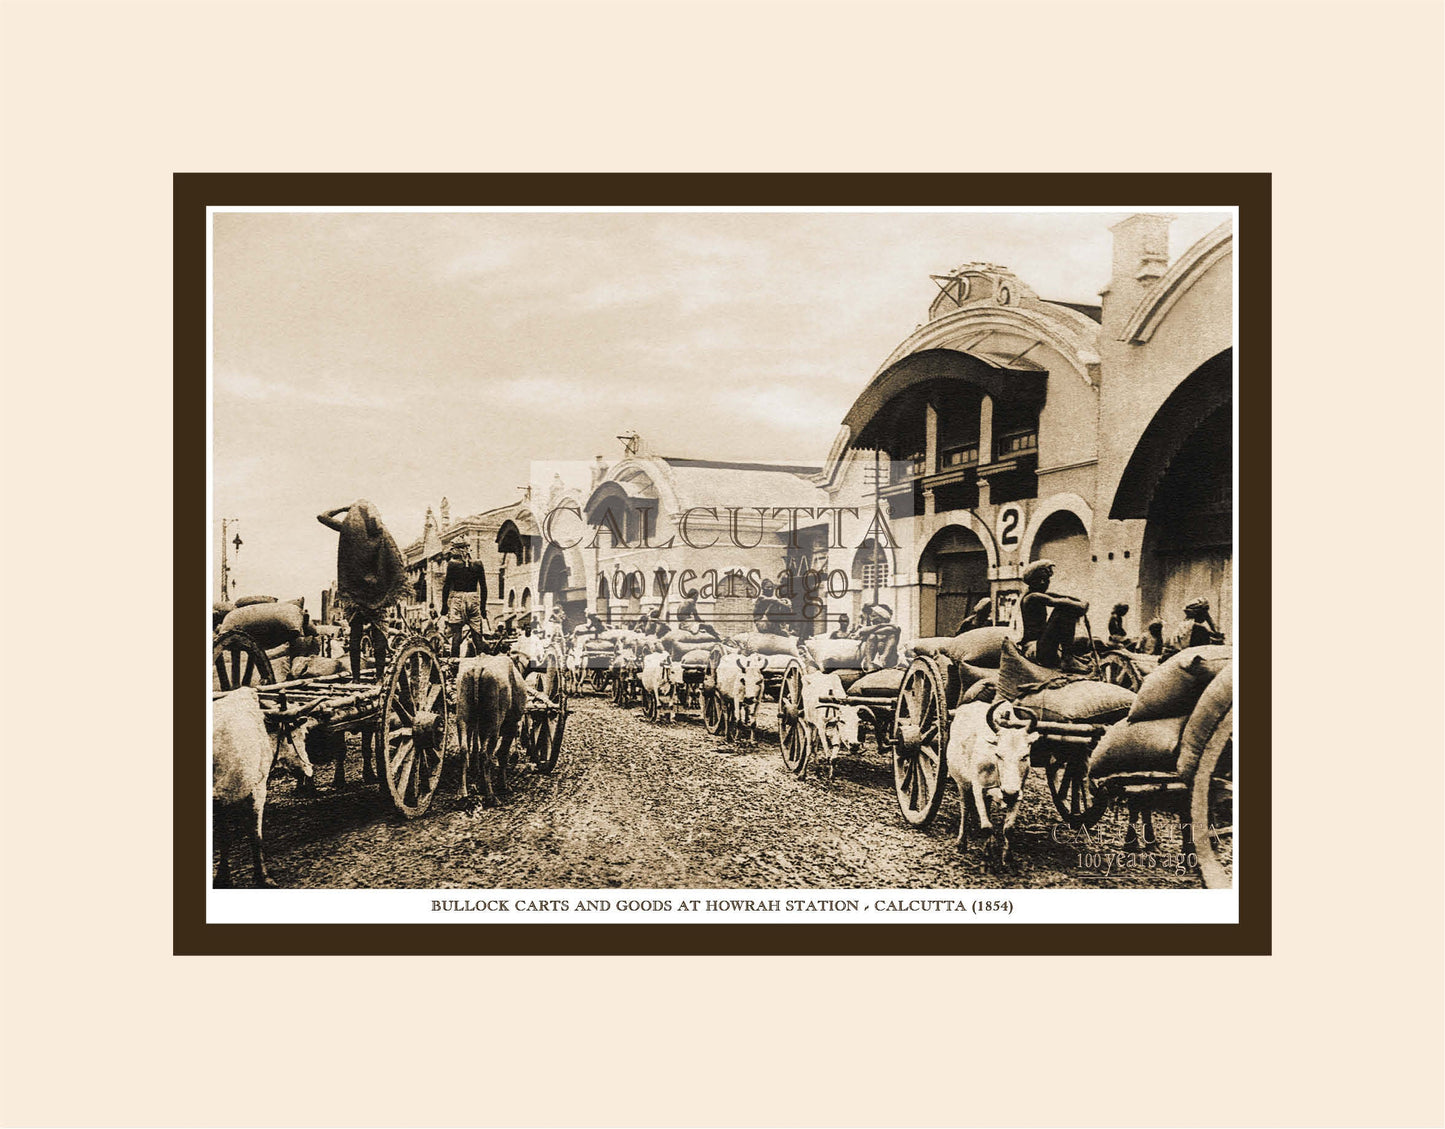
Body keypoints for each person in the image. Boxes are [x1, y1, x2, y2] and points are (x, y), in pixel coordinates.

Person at [317, 500, 409, 682]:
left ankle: (356, 678)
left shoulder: (349, 531)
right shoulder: (383, 534)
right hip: (378, 594)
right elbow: (396, 564)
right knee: (380, 637)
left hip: (356, 594)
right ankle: (380, 677)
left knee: (355, 636)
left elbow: (322, 517)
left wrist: (344, 508)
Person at [1009, 559, 1089, 671]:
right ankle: (1068, 659)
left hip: (1043, 645)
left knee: (1084, 641)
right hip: (1036, 649)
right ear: (1041, 581)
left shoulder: (1038, 595)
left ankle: (1069, 657)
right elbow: (1066, 603)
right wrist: (1081, 605)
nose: (1047, 583)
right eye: (1046, 580)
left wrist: (1077, 601)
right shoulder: (1033, 597)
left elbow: (1065, 598)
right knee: (1064, 610)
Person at [440, 541, 488, 658]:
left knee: (457, 634)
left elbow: (446, 586)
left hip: (458, 599)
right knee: (477, 634)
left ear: (459, 550)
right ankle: (482, 660)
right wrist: (483, 608)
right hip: (474, 598)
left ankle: (454, 665)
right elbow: (483, 586)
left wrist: (444, 606)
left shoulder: (452, 564)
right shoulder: (478, 564)